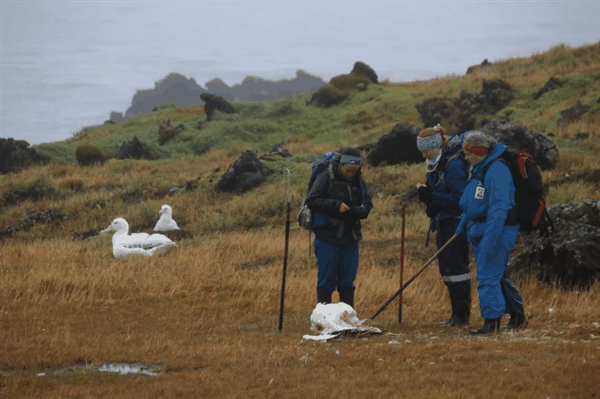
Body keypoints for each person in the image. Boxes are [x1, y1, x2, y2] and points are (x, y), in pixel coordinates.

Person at [455, 131, 528, 335]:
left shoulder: (497, 170)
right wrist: (461, 228)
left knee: (487, 276)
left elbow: (498, 209)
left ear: (479, 151)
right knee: (498, 275)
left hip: (498, 231)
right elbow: (474, 203)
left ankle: (491, 322)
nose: (466, 157)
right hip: (481, 230)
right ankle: (517, 314)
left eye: (469, 154)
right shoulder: (480, 168)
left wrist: (490, 239)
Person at [416, 124, 472, 326]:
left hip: (455, 223)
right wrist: (430, 204)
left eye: (426, 151)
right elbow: (439, 194)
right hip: (442, 221)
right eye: (421, 152)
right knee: (447, 270)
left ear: (436, 146)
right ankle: (455, 315)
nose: (424, 155)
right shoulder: (434, 163)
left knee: (457, 269)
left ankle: (462, 315)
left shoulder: (453, 165)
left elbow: (460, 199)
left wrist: (433, 197)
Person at [305, 147, 373, 308]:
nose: (351, 174)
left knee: (347, 281)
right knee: (326, 281)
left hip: (351, 236)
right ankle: (324, 321)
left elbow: (368, 204)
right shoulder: (325, 177)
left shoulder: (359, 181)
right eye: (348, 170)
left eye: (354, 171)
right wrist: (335, 205)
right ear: (341, 165)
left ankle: (346, 319)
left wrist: (358, 211)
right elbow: (312, 201)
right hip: (327, 236)